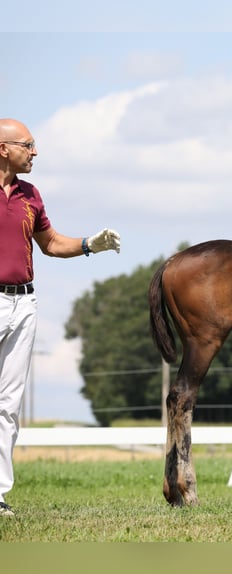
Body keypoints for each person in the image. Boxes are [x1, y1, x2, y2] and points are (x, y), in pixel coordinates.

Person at [0, 118, 121, 516]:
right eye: (28, 145)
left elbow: (50, 243)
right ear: (4, 149)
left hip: (23, 304)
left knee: (8, 405)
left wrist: (90, 244)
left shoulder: (30, 194)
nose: (35, 152)